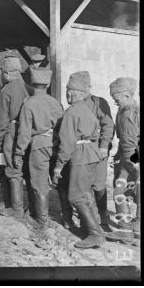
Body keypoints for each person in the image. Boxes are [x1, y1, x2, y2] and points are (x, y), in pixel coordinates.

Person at [55, 73, 115, 230]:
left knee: (99, 185)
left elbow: (108, 125)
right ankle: (89, 222)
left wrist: (104, 146)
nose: (87, 89)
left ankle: (102, 219)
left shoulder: (99, 103)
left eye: (88, 86)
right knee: (81, 187)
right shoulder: (74, 106)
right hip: (80, 151)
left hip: (97, 150)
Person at [14, 68, 63, 230]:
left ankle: (41, 221)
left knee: (39, 182)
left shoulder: (29, 104)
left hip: (38, 146)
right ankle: (62, 216)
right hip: (54, 144)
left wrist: (18, 153)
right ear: (48, 84)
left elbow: (24, 133)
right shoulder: (55, 103)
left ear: (31, 84)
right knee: (54, 181)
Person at [0, 56, 29, 219]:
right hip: (26, 131)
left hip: (12, 131)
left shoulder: (6, 91)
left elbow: (1, 120)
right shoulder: (28, 88)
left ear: (7, 73)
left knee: (12, 169)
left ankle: (16, 208)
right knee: (22, 168)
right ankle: (23, 205)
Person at [108, 77, 140, 239]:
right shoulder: (127, 110)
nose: (115, 102)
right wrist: (119, 155)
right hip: (129, 157)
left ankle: (126, 230)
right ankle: (130, 229)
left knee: (121, 191)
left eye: (117, 99)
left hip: (133, 159)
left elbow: (132, 141)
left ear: (127, 96)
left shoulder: (130, 113)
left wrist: (131, 161)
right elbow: (125, 140)